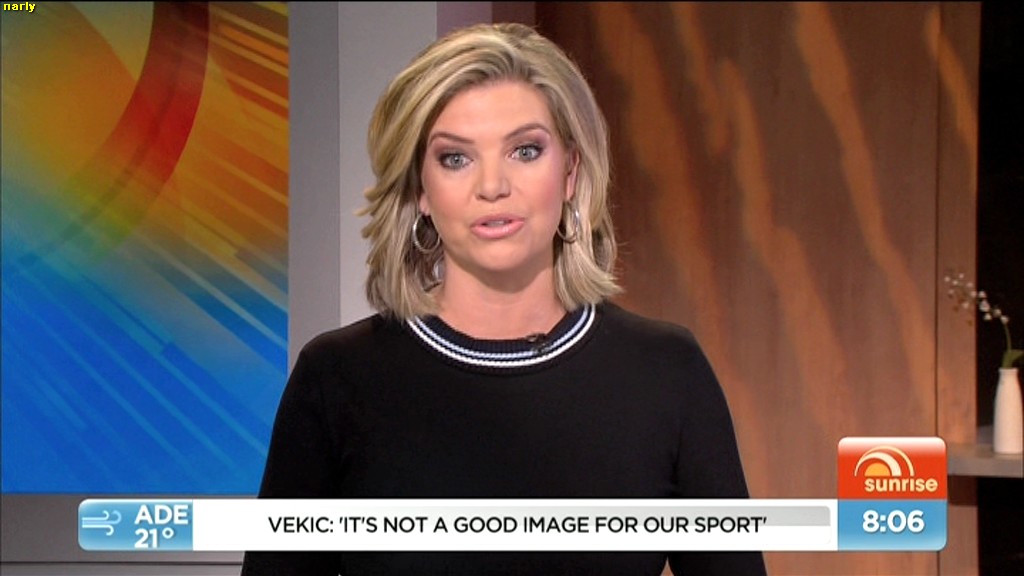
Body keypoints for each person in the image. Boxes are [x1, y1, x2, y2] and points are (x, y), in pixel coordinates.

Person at [242, 22, 765, 576]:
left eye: (525, 150)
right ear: (420, 189)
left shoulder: (666, 373)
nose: (492, 186)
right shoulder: (337, 380)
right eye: (455, 158)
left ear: (570, 172)